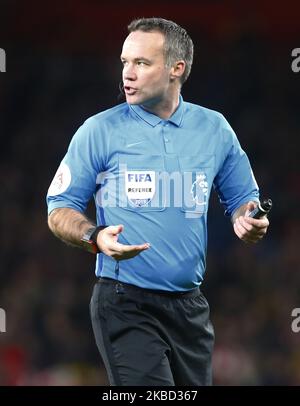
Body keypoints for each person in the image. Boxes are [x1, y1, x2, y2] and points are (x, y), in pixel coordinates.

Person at [46, 17, 269, 386]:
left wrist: (249, 220)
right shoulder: (98, 131)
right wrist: (95, 237)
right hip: (124, 302)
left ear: (175, 69)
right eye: (124, 62)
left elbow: (244, 198)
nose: (127, 74)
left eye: (141, 63)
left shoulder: (214, 129)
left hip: (190, 307)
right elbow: (59, 209)